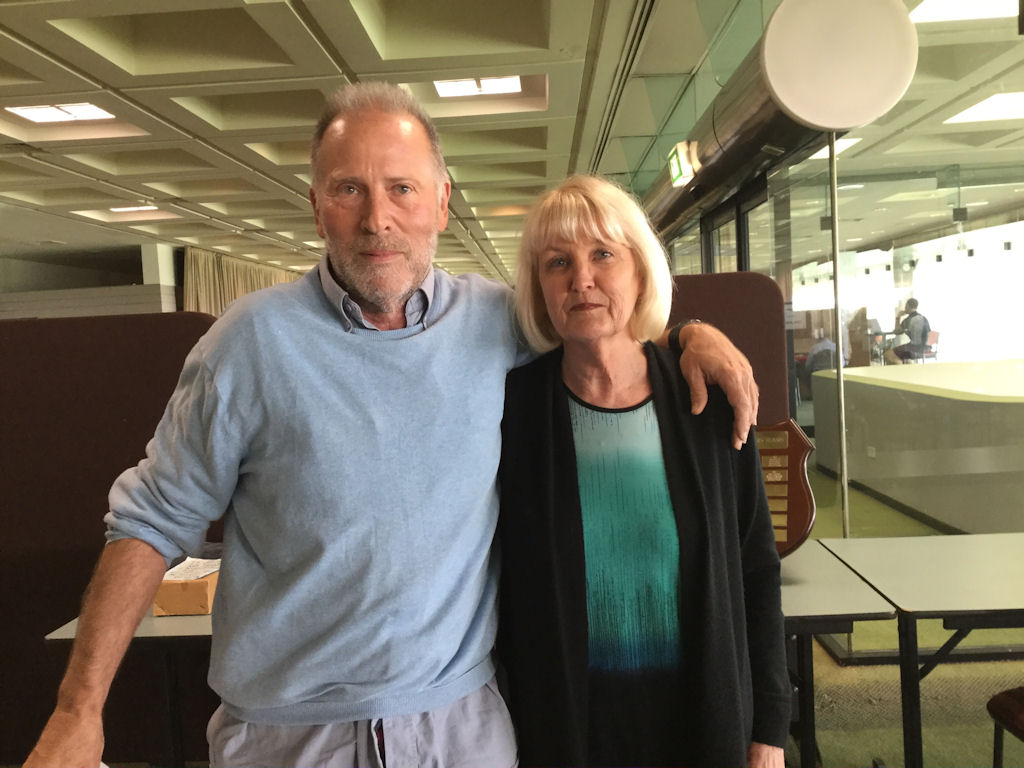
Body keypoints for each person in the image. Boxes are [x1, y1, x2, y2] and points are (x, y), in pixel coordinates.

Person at [23, 84, 759, 768]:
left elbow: (598, 326)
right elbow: (152, 519)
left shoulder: (495, 323)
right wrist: (77, 709)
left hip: (458, 730)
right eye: (349, 189)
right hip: (289, 736)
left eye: (401, 188)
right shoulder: (248, 344)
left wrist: (688, 337)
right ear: (318, 208)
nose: (377, 219)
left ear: (441, 202)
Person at [497, 175, 790, 768]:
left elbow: (755, 567)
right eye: (558, 262)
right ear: (539, 287)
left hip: (700, 712)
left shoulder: (704, 399)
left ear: (640, 271)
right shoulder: (513, 411)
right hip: (566, 723)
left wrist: (770, 727)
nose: (581, 279)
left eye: (603, 254)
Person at [891, 298, 931, 362]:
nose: (905, 308)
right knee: (904, 356)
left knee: (889, 354)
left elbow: (897, 332)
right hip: (927, 348)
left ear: (908, 306)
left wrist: (898, 317)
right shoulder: (923, 318)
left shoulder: (909, 320)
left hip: (916, 349)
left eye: (905, 306)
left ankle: (900, 368)